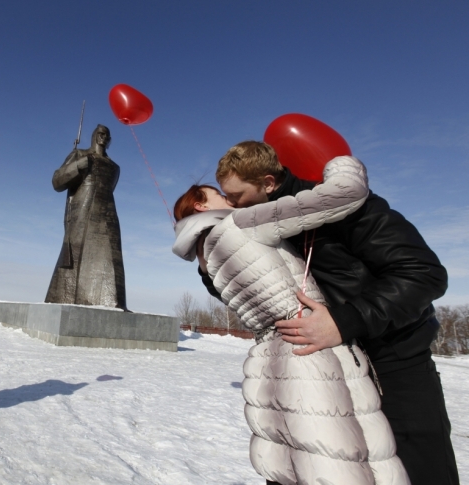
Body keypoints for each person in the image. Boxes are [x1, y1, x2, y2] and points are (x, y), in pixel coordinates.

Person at [204, 141, 457, 484]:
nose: (231, 204)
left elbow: (423, 273)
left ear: (267, 183)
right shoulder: (260, 224)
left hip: (392, 369)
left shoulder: (345, 208)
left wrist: (344, 321)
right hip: (320, 375)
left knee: (413, 472)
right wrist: (211, 269)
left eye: (236, 195)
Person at [173, 156, 409, 484]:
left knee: (292, 466)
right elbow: (343, 196)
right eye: (219, 195)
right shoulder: (239, 223)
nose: (230, 200)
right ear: (200, 206)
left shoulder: (207, 258)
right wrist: (342, 167)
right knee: (339, 463)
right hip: (311, 348)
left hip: (271, 358)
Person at [45, 124, 128, 309]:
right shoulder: (79, 155)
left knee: (112, 258)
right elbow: (57, 181)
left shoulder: (115, 168)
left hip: (107, 214)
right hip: (81, 213)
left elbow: (109, 188)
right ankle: (66, 299)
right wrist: (77, 166)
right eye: (100, 134)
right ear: (93, 136)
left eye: (107, 135)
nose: (103, 138)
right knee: (75, 256)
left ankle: (112, 303)